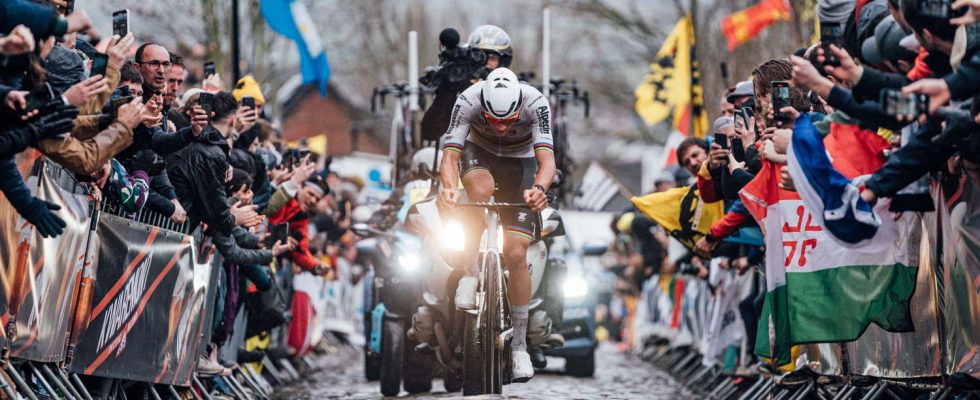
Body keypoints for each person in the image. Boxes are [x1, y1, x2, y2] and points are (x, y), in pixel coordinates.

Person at [437, 67, 554, 382]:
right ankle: (471, 273)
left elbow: (547, 163)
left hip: (523, 162)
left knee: (516, 253)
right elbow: (450, 157)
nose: (501, 127)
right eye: (494, 119)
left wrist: (540, 190)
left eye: (509, 119)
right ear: (483, 107)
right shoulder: (468, 100)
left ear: (519, 107)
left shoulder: (536, 102)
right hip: (481, 155)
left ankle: (518, 346)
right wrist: (449, 187)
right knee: (479, 191)